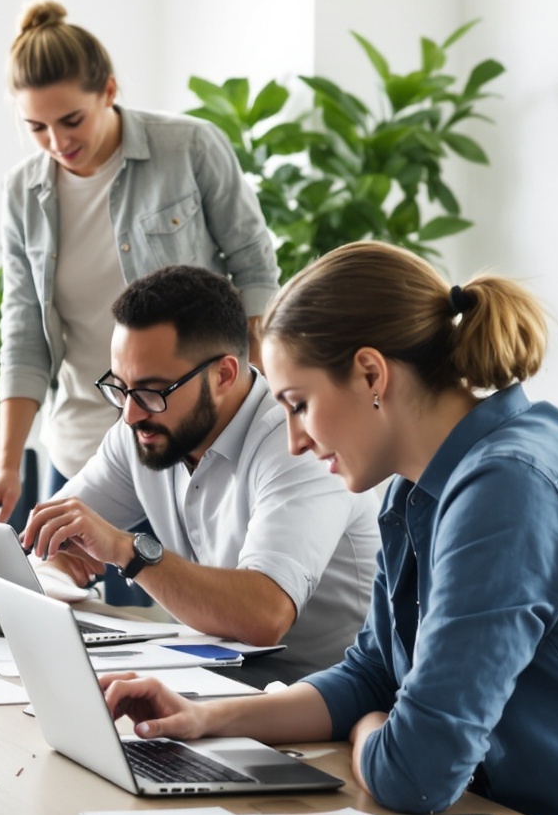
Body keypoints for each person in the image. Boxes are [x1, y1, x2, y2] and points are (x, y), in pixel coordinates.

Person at [100, 242, 558, 815]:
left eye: (299, 405)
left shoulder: (509, 487)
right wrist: (204, 716)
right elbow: (370, 675)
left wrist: (371, 731)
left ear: (370, 373)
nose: (296, 441)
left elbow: (416, 773)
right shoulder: (420, 489)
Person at [0, 0, 281, 528]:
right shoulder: (23, 191)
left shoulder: (188, 148)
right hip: (81, 447)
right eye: (37, 128)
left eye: (71, 120)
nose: (58, 142)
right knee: (65, 607)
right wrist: (6, 466)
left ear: (109, 91)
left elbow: (255, 273)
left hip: (188, 439)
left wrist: (256, 414)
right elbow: (24, 331)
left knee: (178, 604)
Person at [20, 265, 376, 664]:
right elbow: (52, 534)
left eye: (153, 391)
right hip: (211, 678)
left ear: (223, 375)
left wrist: (127, 551)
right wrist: (56, 562)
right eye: (120, 387)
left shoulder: (300, 440)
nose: (131, 414)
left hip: (320, 698)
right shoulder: (143, 427)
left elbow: (265, 615)